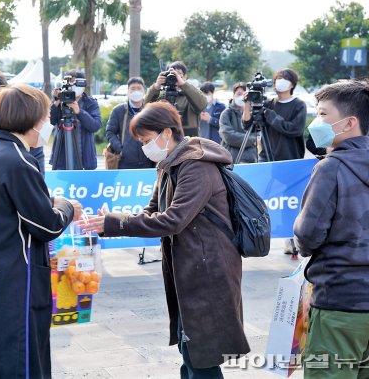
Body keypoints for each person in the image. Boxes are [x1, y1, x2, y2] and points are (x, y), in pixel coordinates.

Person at [80, 101, 250, 379]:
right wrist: (112, 220)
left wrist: (116, 223)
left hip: (208, 268)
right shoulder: (169, 164)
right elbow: (152, 211)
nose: (145, 147)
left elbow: (173, 220)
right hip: (190, 266)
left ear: (167, 133)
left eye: (147, 140)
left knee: (202, 357)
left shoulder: (196, 166)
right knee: (191, 349)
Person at [0, 84, 82, 378]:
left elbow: (15, 206)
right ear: (30, 119)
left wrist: (50, 202)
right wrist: (66, 207)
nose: (47, 124)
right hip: (13, 282)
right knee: (20, 362)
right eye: (44, 118)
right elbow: (47, 224)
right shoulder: (17, 159)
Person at [294, 79, 369, 379]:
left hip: (341, 304)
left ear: (349, 122)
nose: (316, 122)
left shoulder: (331, 168)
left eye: (323, 114)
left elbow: (307, 236)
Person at [243, 68, 307, 162]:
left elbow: (295, 130)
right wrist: (247, 104)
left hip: (290, 158)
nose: (281, 81)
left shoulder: (299, 105)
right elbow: (247, 126)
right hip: (267, 157)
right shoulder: (268, 104)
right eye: (279, 78)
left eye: (285, 79)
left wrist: (270, 115)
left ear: (292, 84)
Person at [50, 69, 102, 170]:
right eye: (73, 84)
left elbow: (95, 126)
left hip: (85, 158)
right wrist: (56, 103)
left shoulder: (90, 103)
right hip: (62, 157)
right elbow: (50, 122)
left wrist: (79, 112)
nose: (76, 87)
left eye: (79, 84)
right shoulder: (59, 101)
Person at [145, 61, 207, 137]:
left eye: (178, 74)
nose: (175, 77)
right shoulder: (161, 96)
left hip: (189, 142)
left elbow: (202, 104)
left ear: (185, 76)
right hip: (165, 141)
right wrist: (156, 87)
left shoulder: (190, 95)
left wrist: (183, 85)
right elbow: (145, 108)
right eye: (171, 74)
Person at [105, 77, 155, 169]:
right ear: (128, 91)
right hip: (124, 162)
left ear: (144, 91)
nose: (136, 91)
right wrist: (120, 149)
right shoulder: (118, 111)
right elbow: (110, 132)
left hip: (148, 161)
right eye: (133, 89)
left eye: (139, 88)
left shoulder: (149, 110)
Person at [219, 82, 257, 163]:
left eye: (244, 94)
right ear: (233, 95)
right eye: (238, 94)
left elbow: (258, 133)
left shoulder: (253, 113)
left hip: (251, 160)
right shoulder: (226, 113)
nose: (241, 97)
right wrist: (252, 139)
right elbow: (228, 136)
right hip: (231, 160)